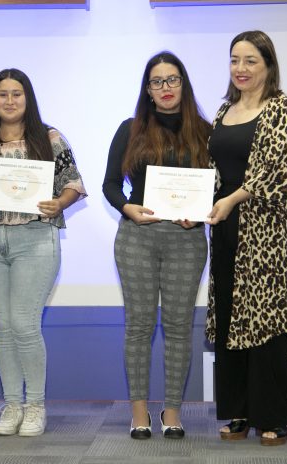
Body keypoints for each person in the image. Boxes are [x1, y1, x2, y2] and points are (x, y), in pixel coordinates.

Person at [0, 68, 87, 437]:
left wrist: (60, 202)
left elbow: (73, 183)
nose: (9, 101)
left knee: (24, 324)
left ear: (27, 98)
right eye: (2, 94)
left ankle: (35, 405)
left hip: (35, 240)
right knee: (4, 329)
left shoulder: (49, 138)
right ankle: (12, 406)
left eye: (16, 94)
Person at [102, 51, 211, 439]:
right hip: (138, 238)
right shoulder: (130, 129)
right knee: (139, 327)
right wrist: (126, 207)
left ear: (184, 84)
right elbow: (109, 185)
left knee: (179, 328)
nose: (165, 87)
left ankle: (172, 412)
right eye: (157, 81)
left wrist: (201, 214)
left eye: (172, 79)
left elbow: (217, 188)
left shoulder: (205, 131)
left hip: (187, 240)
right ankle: (138, 412)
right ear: (147, 89)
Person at [206, 30, 287, 446]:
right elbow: (212, 169)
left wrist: (231, 200)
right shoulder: (223, 110)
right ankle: (240, 411)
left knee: (265, 320)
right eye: (235, 60)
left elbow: (275, 171)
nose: (240, 68)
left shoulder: (283, 108)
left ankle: (275, 415)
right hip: (225, 227)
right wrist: (199, 204)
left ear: (268, 65)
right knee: (231, 314)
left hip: (265, 229)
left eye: (250, 61)